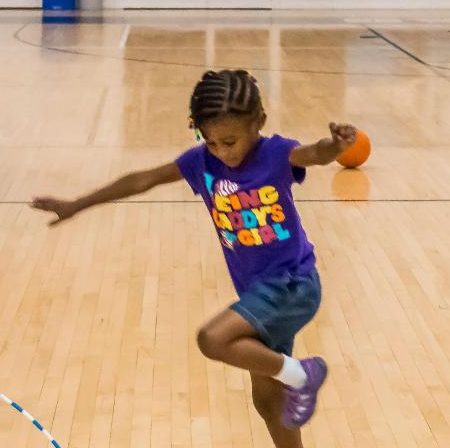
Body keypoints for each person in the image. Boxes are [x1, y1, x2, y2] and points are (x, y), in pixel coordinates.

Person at [32, 69, 354, 448]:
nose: (222, 151)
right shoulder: (203, 163)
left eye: (230, 141)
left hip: (292, 285)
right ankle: (293, 383)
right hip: (260, 291)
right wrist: (77, 204)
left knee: (212, 339)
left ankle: (303, 374)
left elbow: (314, 154)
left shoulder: (276, 154)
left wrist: (335, 147)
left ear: (258, 124)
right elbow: (143, 179)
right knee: (268, 400)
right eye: (211, 141)